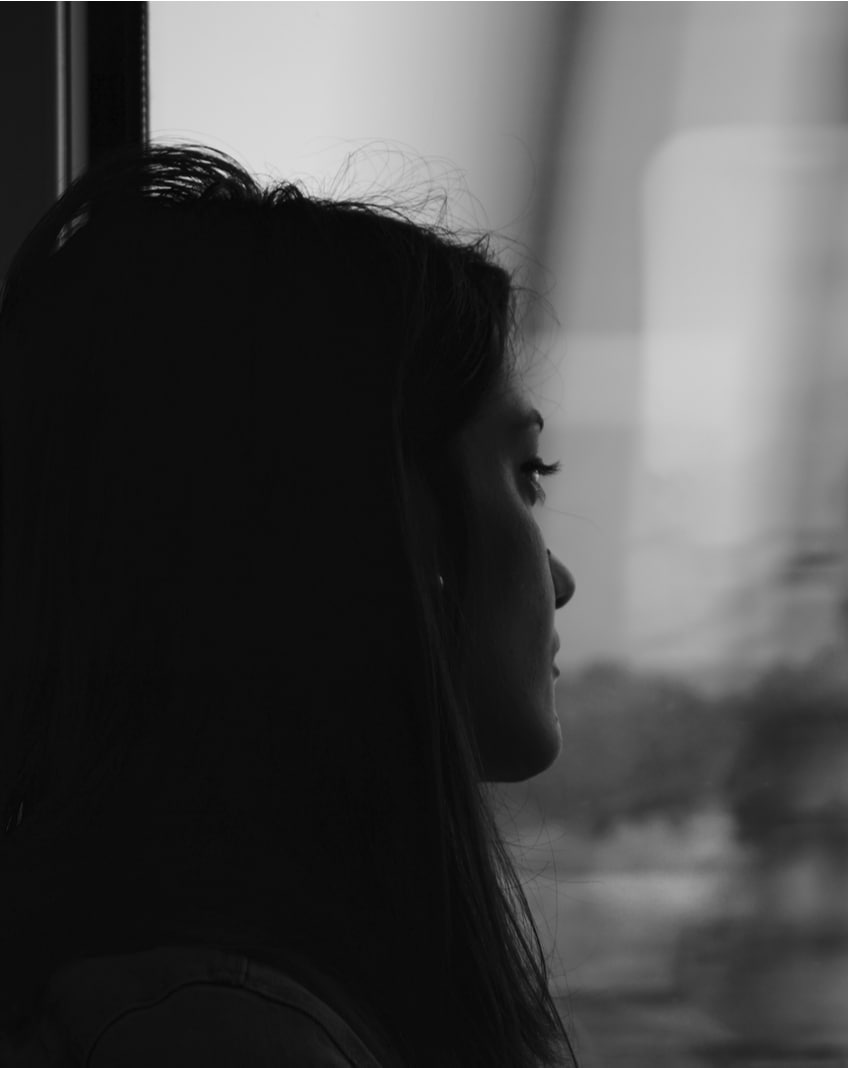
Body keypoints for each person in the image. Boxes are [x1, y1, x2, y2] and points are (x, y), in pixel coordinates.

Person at [0, 144, 579, 1067]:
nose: (559, 580)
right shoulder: (222, 1035)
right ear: (388, 532)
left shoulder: (192, 997)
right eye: (527, 475)